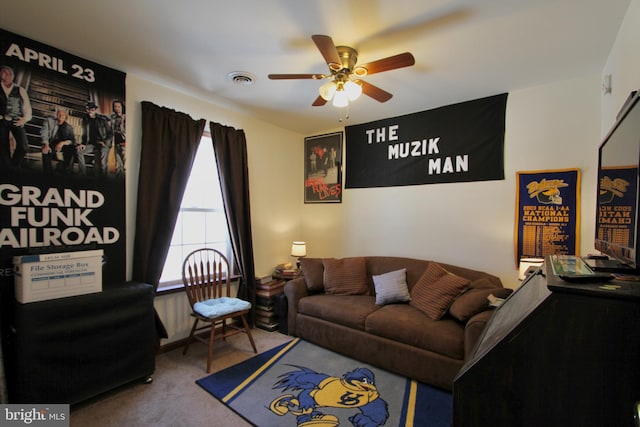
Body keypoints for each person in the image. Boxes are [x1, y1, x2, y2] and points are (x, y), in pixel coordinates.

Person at [0, 65, 32, 174]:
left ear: (13, 76)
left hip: (17, 119)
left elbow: (27, 107)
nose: (7, 75)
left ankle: (14, 166)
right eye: (4, 72)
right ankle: (7, 169)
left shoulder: (20, 89)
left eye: (10, 73)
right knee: (3, 147)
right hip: (2, 120)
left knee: (23, 146)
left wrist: (25, 119)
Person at [77, 100, 112, 176]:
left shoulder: (102, 119)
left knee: (102, 162)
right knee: (79, 150)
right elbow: (84, 134)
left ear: (95, 110)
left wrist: (105, 142)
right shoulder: (85, 120)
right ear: (86, 110)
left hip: (103, 144)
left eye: (92, 109)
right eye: (88, 109)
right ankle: (82, 173)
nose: (90, 111)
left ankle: (104, 179)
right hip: (92, 144)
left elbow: (110, 133)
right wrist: (83, 144)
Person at [40, 108, 77, 175]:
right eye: (59, 114)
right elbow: (44, 133)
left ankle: (67, 170)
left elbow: (72, 140)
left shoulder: (68, 127)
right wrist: (46, 144)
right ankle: (47, 174)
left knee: (72, 148)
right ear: (56, 115)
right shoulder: (49, 121)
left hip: (62, 145)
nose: (61, 116)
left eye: (63, 115)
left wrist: (62, 143)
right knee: (46, 150)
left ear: (65, 117)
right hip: (51, 143)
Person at [110, 99, 125, 176]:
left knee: (125, 164)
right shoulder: (113, 118)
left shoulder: (125, 117)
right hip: (116, 143)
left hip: (124, 142)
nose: (117, 108)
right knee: (118, 165)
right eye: (115, 107)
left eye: (119, 106)